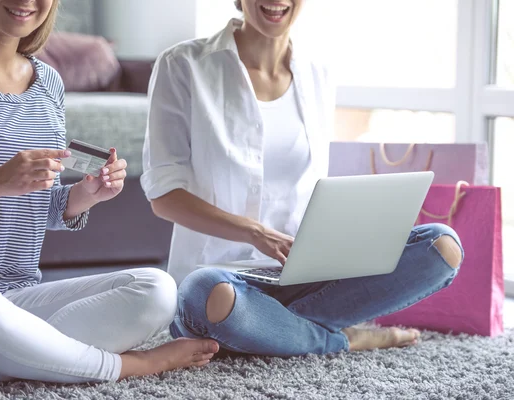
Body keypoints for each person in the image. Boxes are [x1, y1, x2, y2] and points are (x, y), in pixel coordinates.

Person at [0, 0, 219, 389]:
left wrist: (86, 195)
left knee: (157, 289)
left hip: (15, 297)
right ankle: (129, 367)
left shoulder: (48, 83)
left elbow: (41, 207)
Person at [141, 0, 464, 357]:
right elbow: (164, 196)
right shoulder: (183, 64)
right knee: (205, 292)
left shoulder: (317, 72)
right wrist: (255, 232)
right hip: (223, 282)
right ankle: (341, 338)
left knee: (441, 246)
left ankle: (275, 330)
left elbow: (309, 188)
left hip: (303, 277)